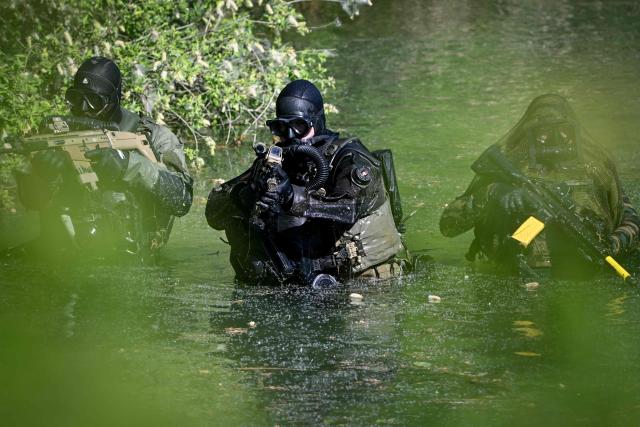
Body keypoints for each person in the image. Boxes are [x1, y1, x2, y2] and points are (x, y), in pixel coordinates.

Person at [205, 79, 404, 286]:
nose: (290, 136)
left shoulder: (351, 160)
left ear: (316, 122)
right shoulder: (274, 161)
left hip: (365, 284)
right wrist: (247, 193)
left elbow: (347, 208)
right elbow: (215, 213)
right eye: (282, 127)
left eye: (298, 126)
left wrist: (292, 197)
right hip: (297, 282)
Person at [440, 94, 640, 278]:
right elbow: (448, 225)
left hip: (582, 275)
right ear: (529, 131)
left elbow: (630, 220)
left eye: (562, 129)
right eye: (544, 130)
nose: (555, 138)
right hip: (512, 276)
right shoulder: (506, 167)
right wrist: (497, 193)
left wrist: (610, 247)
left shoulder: (595, 168)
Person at [14, 56, 193, 255]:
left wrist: (129, 165)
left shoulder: (155, 137)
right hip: (67, 253)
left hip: (133, 258)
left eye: (94, 101)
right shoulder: (57, 135)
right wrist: (41, 177)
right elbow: (31, 202)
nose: (82, 108)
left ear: (115, 98)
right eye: (76, 98)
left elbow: (182, 201)